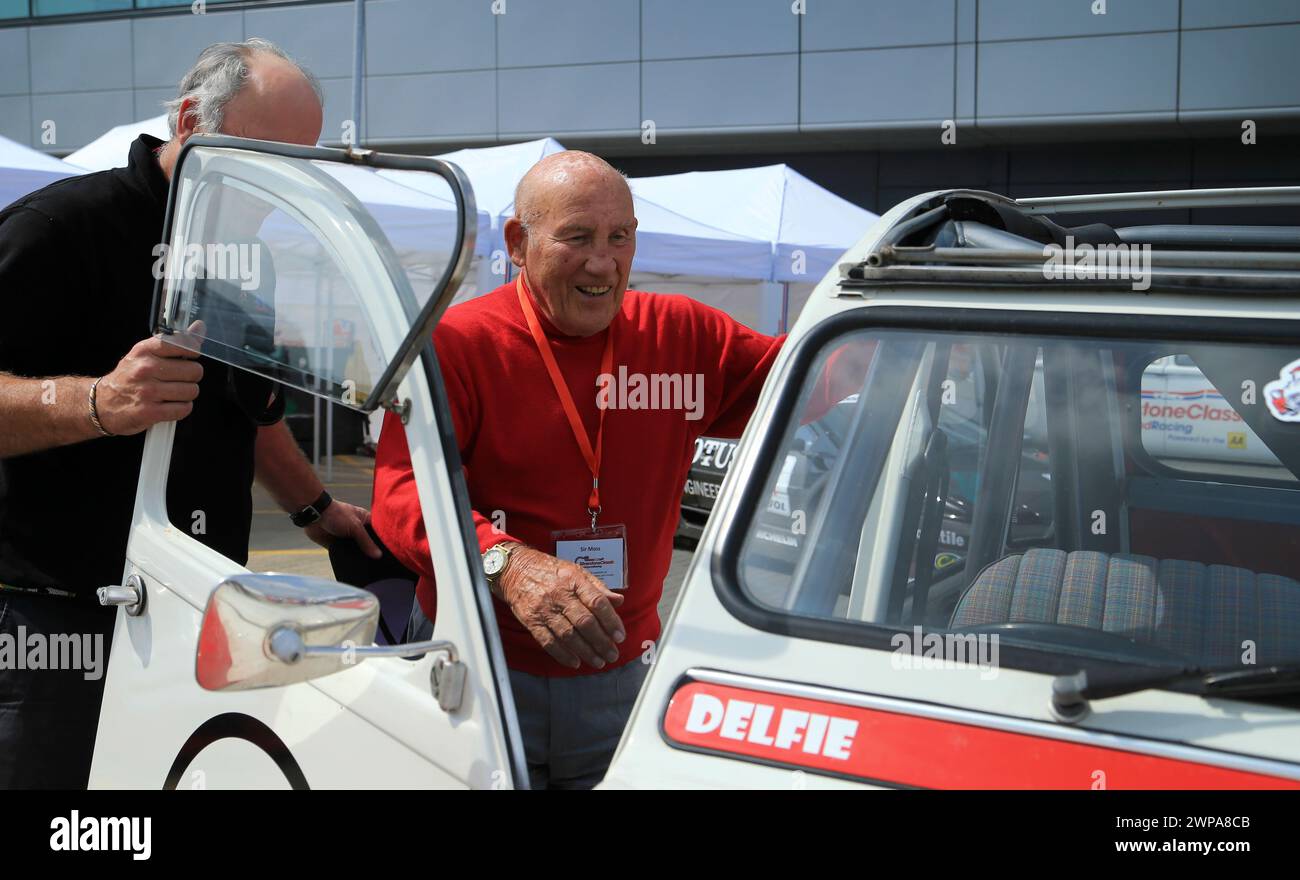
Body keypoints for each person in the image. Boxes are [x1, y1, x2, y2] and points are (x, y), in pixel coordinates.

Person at [0, 38, 378, 790]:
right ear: (188, 121)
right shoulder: (59, 230)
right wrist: (99, 403)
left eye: (297, 165)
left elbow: (248, 410)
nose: (277, 187)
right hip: (56, 634)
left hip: (197, 615)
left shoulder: (247, 257)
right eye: (259, 157)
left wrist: (314, 507)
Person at [373, 151, 787, 789]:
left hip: (619, 677)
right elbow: (402, 497)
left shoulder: (683, 335)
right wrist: (506, 562)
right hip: (479, 664)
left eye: (620, 237)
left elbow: (813, 373)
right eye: (577, 238)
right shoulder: (457, 343)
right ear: (518, 242)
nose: (603, 263)